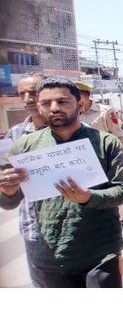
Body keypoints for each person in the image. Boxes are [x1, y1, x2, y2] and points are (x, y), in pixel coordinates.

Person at [0, 78, 123, 287]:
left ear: (79, 105)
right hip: (53, 256)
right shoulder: (25, 146)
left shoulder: (106, 143)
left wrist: (88, 197)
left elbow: (122, 191)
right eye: (46, 103)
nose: (54, 108)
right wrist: (6, 189)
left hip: (101, 253)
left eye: (62, 101)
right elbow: (7, 202)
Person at [1, 73, 48, 287]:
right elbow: (8, 198)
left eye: (34, 91)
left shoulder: (71, 131)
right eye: (22, 93)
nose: (28, 98)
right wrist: (8, 189)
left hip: (78, 229)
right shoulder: (14, 136)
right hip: (35, 231)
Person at [74, 81, 123, 233]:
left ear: (87, 97)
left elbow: (118, 136)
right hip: (82, 164)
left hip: (105, 162)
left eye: (79, 97)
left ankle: (122, 217)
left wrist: (120, 162)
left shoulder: (104, 111)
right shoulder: (72, 114)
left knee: (111, 198)